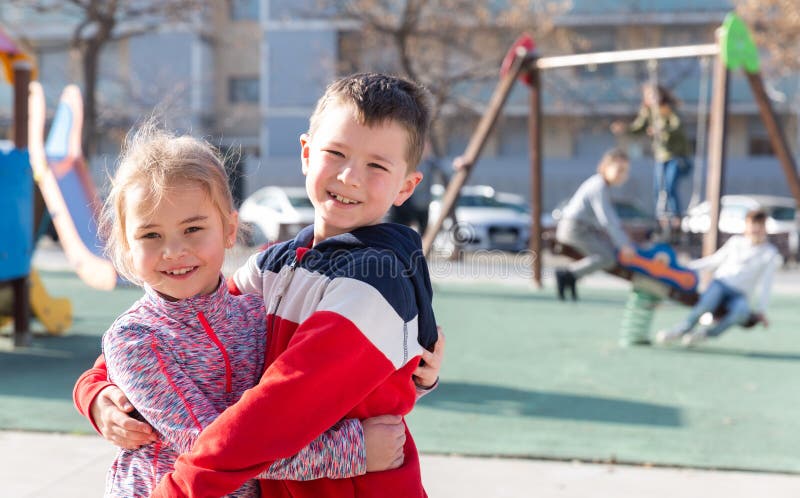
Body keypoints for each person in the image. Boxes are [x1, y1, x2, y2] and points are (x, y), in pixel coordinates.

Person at [74, 72, 443, 498]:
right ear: (306, 154)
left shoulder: (374, 285)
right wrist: (96, 392)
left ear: (407, 186)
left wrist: (176, 491)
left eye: (376, 165)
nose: (349, 177)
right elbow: (160, 334)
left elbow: (271, 416)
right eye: (336, 153)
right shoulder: (274, 267)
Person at [655, 209, 782, 346]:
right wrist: (688, 267)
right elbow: (714, 261)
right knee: (705, 305)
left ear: (765, 228)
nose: (755, 229)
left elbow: (766, 284)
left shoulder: (769, 253)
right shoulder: (736, 242)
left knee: (741, 313)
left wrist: (761, 310)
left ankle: (705, 334)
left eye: (759, 225)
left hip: (740, 295)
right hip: (721, 284)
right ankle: (681, 329)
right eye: (752, 224)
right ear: (746, 225)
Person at [554, 148, 636, 300]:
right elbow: (607, 219)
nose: (623, 175)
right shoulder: (599, 186)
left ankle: (571, 276)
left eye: (625, 171)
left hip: (579, 228)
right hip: (574, 228)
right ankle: (568, 274)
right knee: (608, 258)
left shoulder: (600, 184)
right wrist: (624, 244)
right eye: (620, 170)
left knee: (606, 253)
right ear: (606, 166)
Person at [611, 83, 692, 226]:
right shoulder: (648, 112)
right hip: (661, 156)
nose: (652, 99)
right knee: (658, 188)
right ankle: (661, 217)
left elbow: (676, 126)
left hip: (675, 155)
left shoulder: (668, 110)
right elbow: (638, 128)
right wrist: (625, 129)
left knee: (669, 186)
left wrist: (661, 129)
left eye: (655, 95)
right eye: (649, 96)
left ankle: (676, 217)